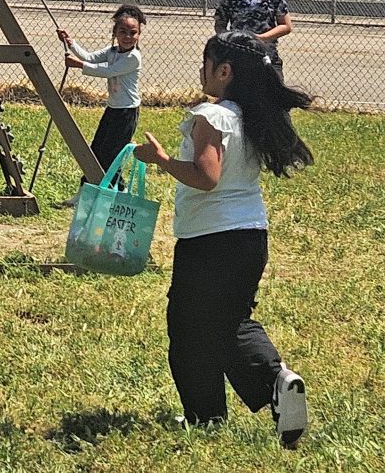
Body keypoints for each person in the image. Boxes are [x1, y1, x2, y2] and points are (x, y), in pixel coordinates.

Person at [134, 31, 314, 447]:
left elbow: (206, 177)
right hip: (250, 235)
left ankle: (256, 391)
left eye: (206, 62)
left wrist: (162, 160)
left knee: (190, 327)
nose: (200, 70)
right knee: (226, 320)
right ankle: (263, 393)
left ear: (224, 71)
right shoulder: (249, 115)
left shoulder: (211, 117)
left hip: (210, 239)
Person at [57, 4, 146, 206]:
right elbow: (89, 57)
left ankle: (119, 193)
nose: (128, 37)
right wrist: (70, 43)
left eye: (133, 33)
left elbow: (107, 71)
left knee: (111, 154)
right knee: (96, 150)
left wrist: (78, 65)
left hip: (126, 112)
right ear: (115, 32)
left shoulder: (133, 58)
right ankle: (85, 193)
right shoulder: (113, 51)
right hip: (112, 110)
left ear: (139, 35)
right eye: (123, 32)